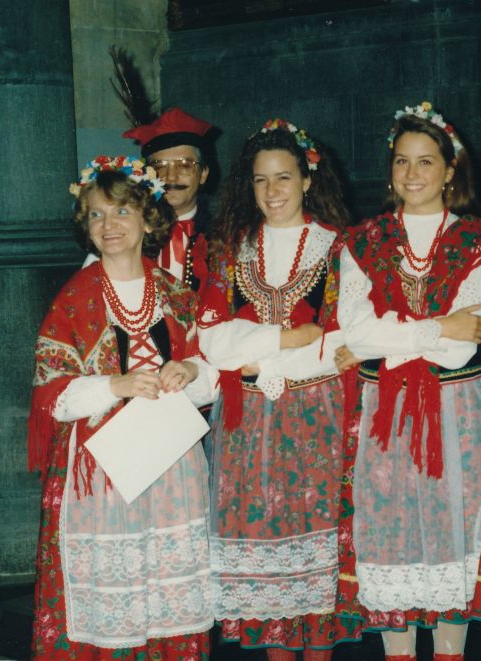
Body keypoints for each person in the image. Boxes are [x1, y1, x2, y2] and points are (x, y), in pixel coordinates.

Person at [27, 156, 218, 659]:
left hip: (171, 463)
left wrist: (190, 371)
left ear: (148, 219)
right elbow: (52, 394)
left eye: (121, 212)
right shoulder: (74, 299)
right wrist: (116, 384)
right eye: (96, 214)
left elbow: (213, 376)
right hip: (102, 468)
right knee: (115, 594)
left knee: (167, 586)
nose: (108, 224)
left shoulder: (176, 294)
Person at [333, 102, 481, 661]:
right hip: (385, 411)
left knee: (451, 529)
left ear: (450, 170)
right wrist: (436, 327)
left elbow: (463, 344)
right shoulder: (363, 239)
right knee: (391, 535)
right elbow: (355, 331)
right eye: (402, 161)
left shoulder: (478, 239)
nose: (412, 173)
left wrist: (392, 334)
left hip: (455, 407)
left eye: (426, 161)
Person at [197, 118, 354, 660]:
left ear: (307, 179)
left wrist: (255, 351)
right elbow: (212, 340)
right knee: (264, 556)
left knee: (316, 552)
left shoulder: (339, 249)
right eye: (261, 179)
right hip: (246, 425)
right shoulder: (230, 251)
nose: (272, 191)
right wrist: (288, 338)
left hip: (318, 417)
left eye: (283, 177)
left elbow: (339, 341)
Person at [123, 107, 215, 290]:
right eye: (160, 166)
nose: (171, 177)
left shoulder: (224, 236)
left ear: (203, 174)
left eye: (185, 165)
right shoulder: (124, 233)